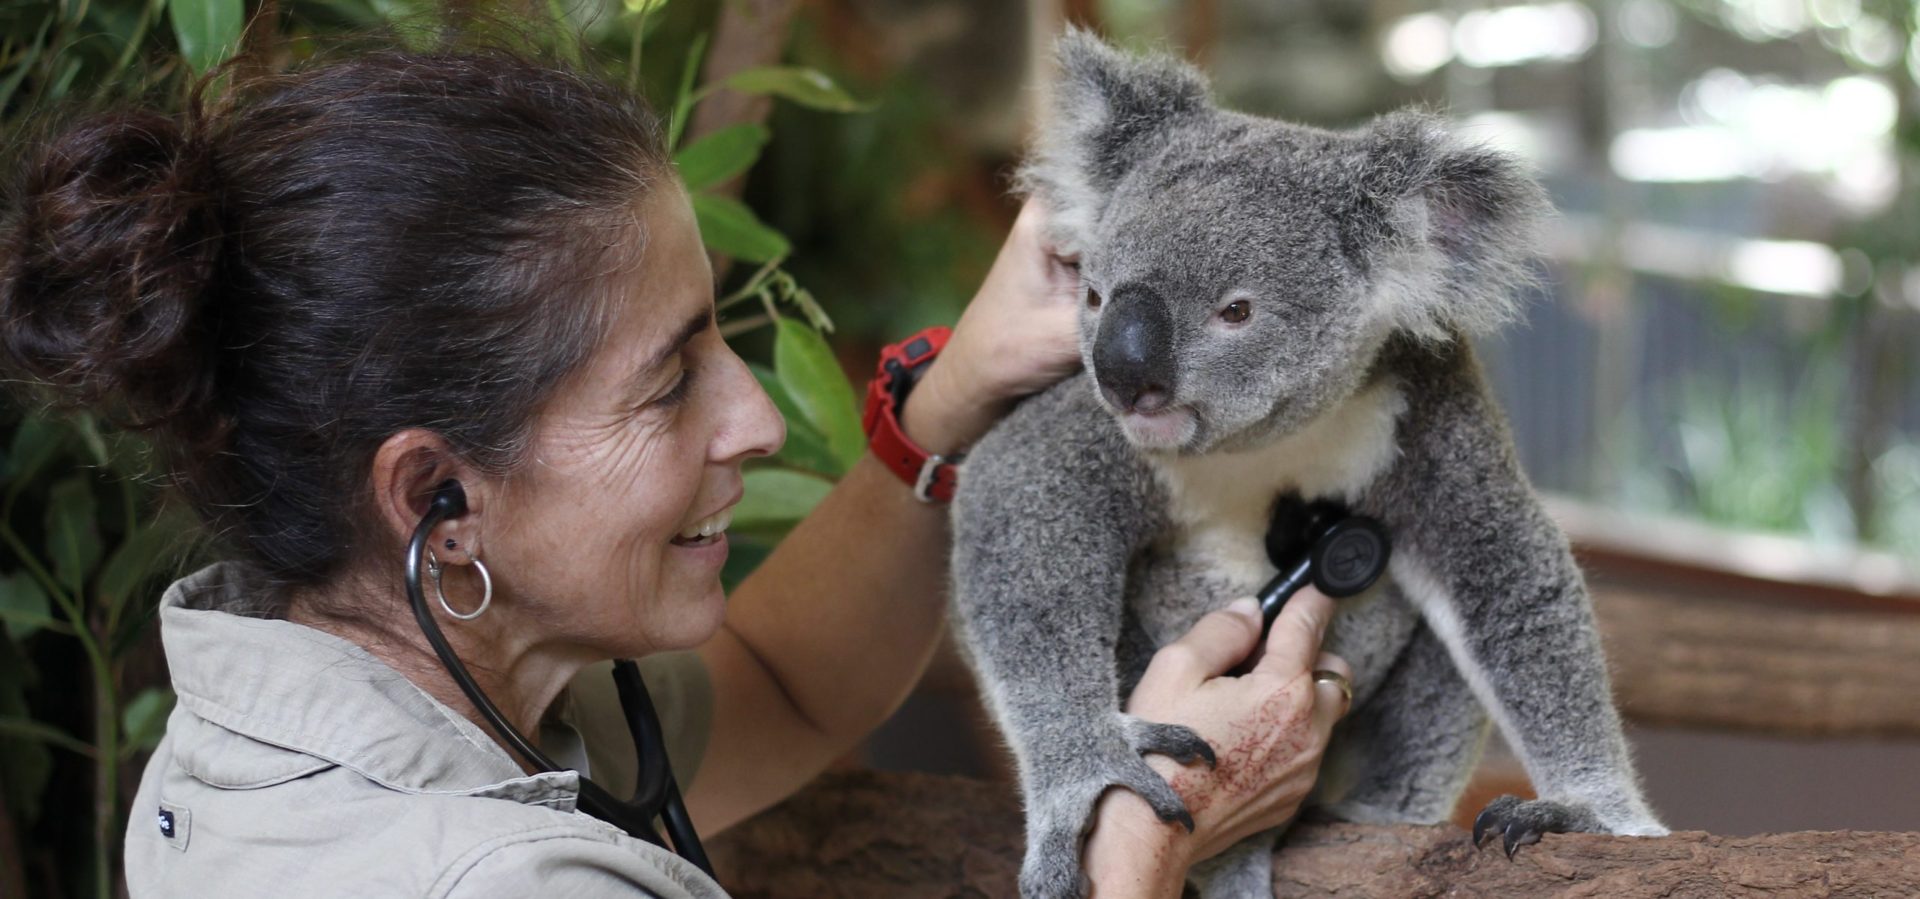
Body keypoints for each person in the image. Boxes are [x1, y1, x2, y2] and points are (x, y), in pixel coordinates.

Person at [0, 41, 1352, 898]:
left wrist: (945, 403)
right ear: (436, 502)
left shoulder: (286, 717)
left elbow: (782, 687)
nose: (758, 423)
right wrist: (1153, 824)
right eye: (669, 380)